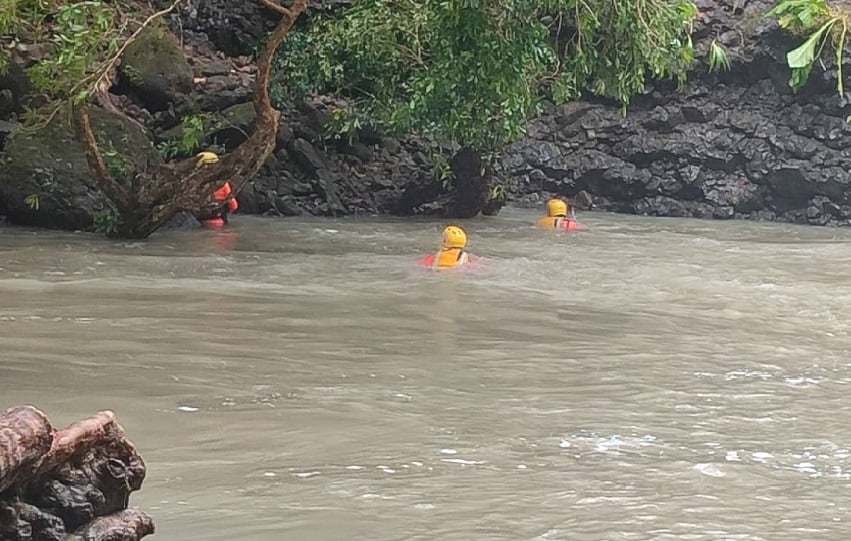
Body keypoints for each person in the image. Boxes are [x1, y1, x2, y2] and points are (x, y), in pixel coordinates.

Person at [196, 151, 239, 228]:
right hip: (219, 221)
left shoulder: (195, 184)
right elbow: (234, 206)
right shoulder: (223, 184)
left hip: (199, 222)